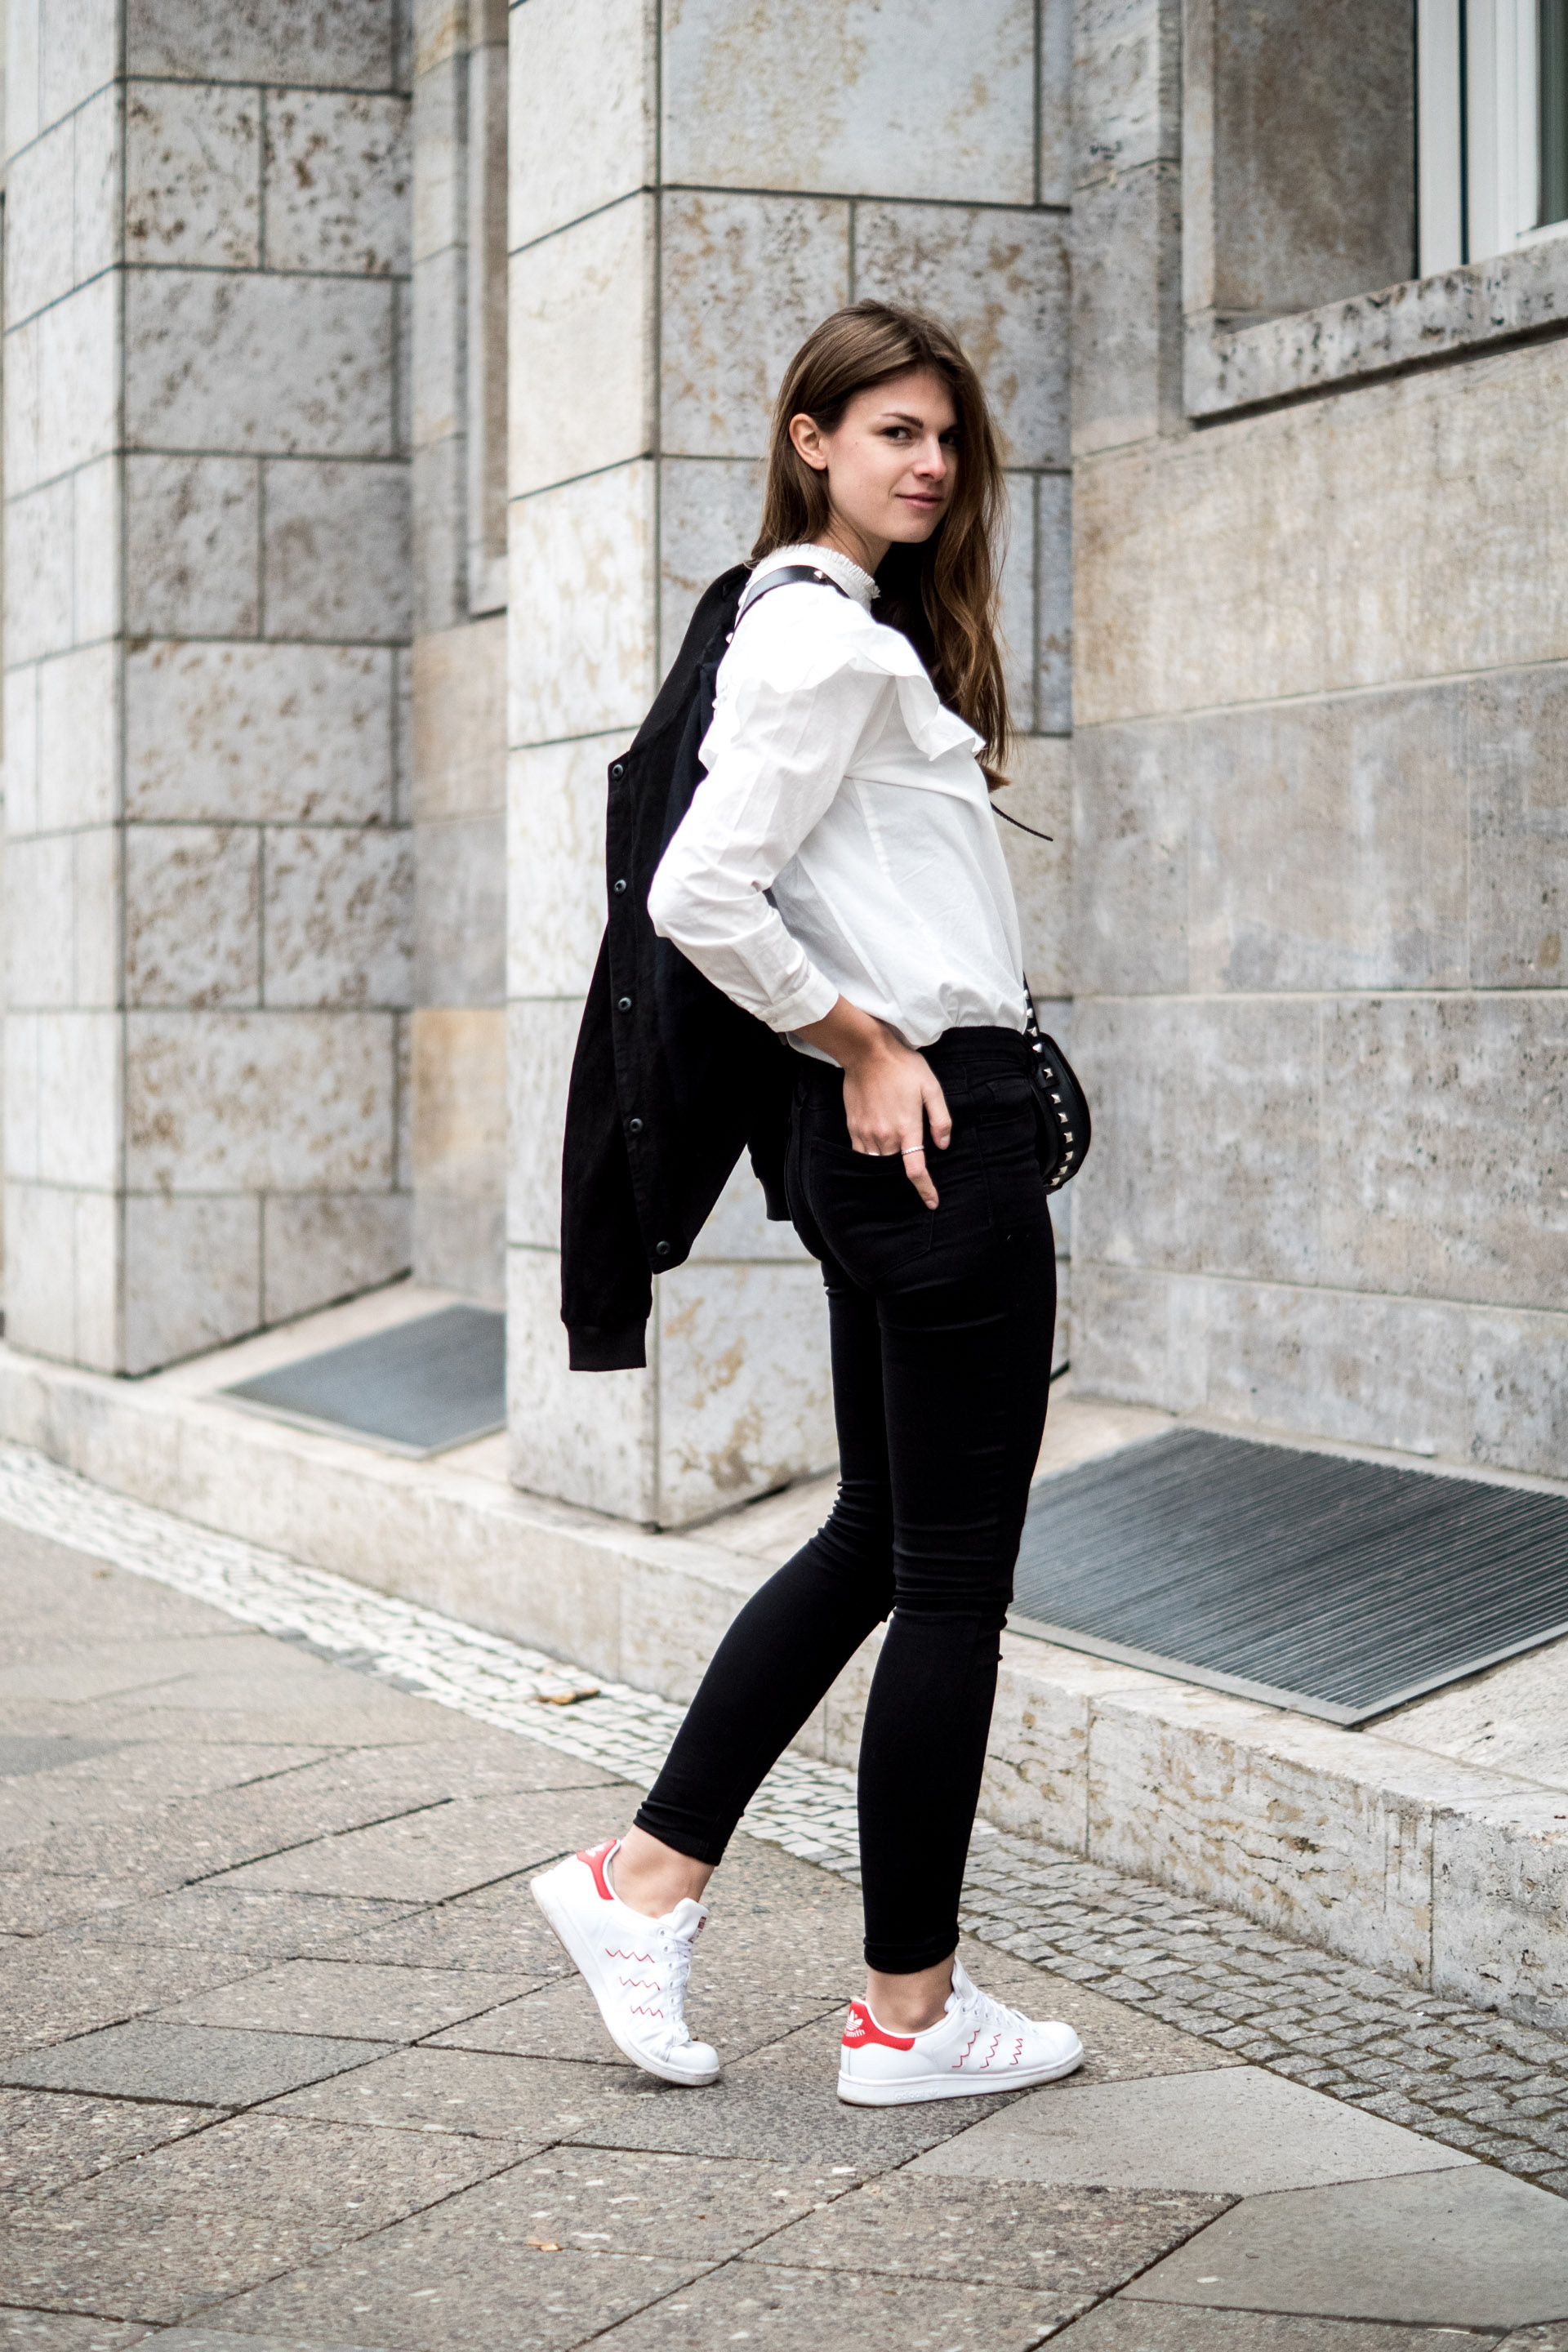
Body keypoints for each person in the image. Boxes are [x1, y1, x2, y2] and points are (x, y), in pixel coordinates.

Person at [533, 301, 1083, 2108]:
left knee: (876, 1542)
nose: (927, 464)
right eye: (892, 431)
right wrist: (862, 1040)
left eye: (946, 437)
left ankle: (647, 1881)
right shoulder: (820, 644)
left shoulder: (820, 632)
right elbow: (707, 894)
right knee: (949, 1586)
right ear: (810, 440)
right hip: (935, 1132)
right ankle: (907, 2017)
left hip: (900, 1147)